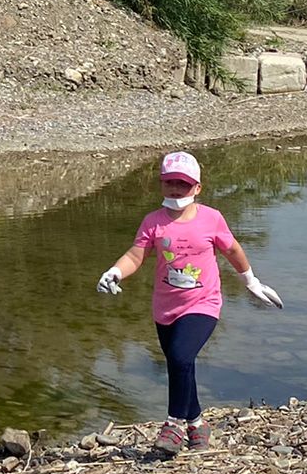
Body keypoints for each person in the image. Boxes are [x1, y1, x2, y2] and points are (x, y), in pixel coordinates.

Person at [96, 151, 284, 457]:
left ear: (197, 187)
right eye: (170, 182)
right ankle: (197, 422)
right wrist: (115, 272)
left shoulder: (211, 218)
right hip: (165, 308)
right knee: (179, 363)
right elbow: (135, 256)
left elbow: (232, 249)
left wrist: (251, 282)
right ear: (161, 184)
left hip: (203, 303)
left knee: (182, 357)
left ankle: (173, 425)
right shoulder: (153, 222)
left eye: (183, 184)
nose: (175, 189)